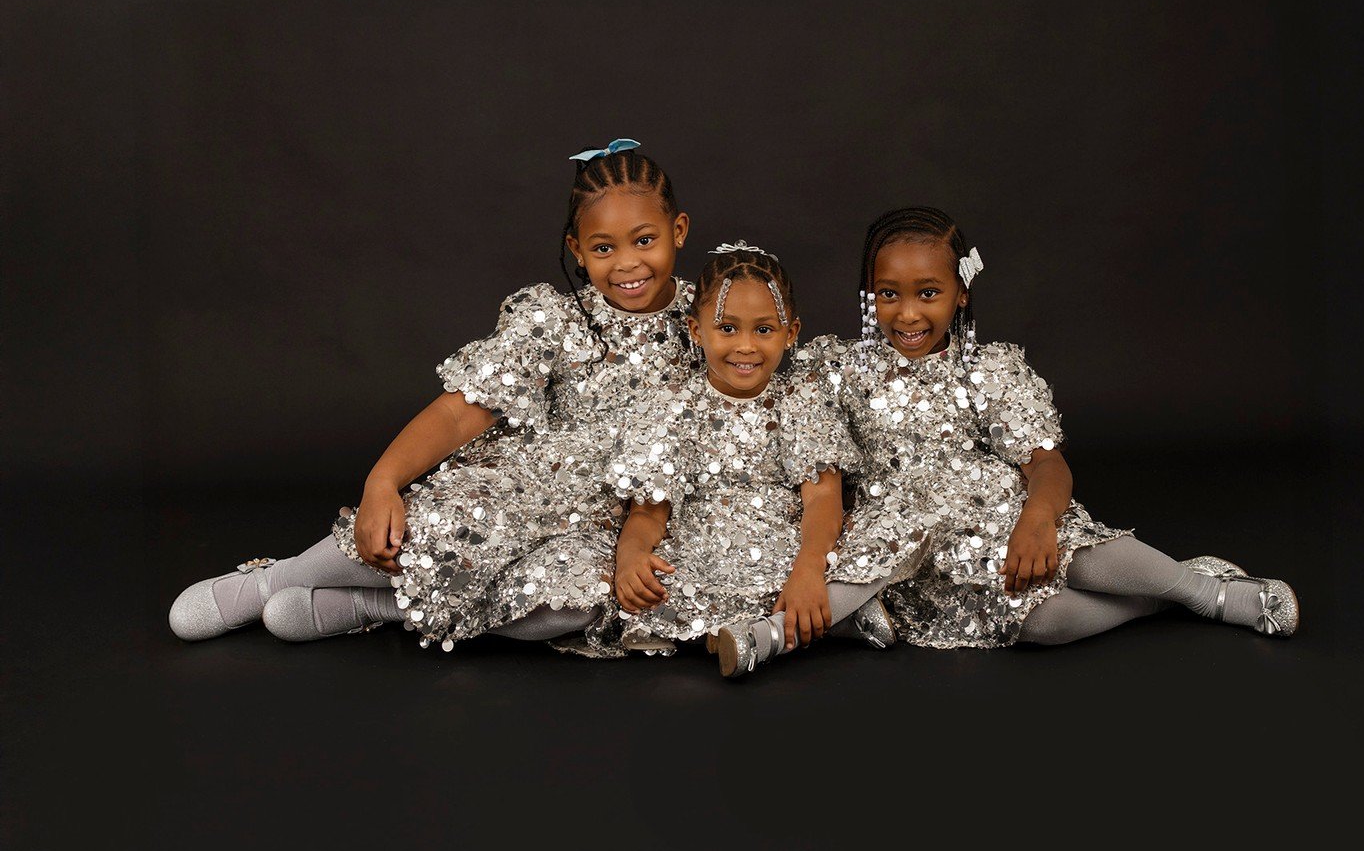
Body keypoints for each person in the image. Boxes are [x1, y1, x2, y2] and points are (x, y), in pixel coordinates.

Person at [169, 140, 696, 655]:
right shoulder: (554, 321)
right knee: (439, 532)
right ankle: (273, 581)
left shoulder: (708, 326)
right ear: (577, 250)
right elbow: (455, 413)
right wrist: (383, 482)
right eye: (604, 248)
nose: (627, 264)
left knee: (581, 605)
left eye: (644, 240)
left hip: (617, 522)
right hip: (522, 490)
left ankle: (370, 608)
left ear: (678, 231)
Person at [795, 206, 1298, 649]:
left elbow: (1046, 462)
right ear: (868, 295)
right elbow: (750, 363)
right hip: (909, 546)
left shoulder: (989, 370)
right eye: (888, 294)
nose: (908, 314)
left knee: (1070, 557)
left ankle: (1208, 593)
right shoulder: (836, 370)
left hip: (998, 517)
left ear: (961, 294)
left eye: (929, 293)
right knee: (1039, 626)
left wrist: (1036, 519)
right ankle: (1162, 599)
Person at [608, 243, 929, 678]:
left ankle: (769, 635)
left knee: (903, 520)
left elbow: (821, 501)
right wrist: (631, 553)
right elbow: (649, 511)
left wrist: (809, 567)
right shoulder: (669, 406)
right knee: (644, 595)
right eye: (726, 328)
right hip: (705, 549)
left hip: (793, 546)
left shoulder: (799, 400)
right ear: (696, 330)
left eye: (764, 330)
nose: (745, 347)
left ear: (791, 332)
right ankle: (835, 617)